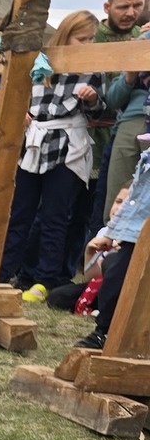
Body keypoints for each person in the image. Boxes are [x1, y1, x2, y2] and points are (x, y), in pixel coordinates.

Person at [4, 10, 101, 306]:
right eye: (81, 38)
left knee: (55, 216)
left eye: (91, 39)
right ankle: (3, 273)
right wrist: (21, 111)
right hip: (35, 141)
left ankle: (44, 279)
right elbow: (23, 94)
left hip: (68, 143)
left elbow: (101, 107)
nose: (87, 44)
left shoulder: (94, 67)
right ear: (66, 35)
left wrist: (92, 98)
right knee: (20, 212)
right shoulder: (42, 62)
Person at [77, 141, 150, 350]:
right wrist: (110, 234)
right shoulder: (146, 158)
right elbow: (131, 201)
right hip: (133, 236)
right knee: (114, 281)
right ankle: (103, 332)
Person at [97, 0, 149, 222]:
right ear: (108, 7)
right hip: (124, 125)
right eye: (124, 7)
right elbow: (112, 98)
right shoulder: (139, 39)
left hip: (126, 125)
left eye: (137, 5)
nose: (131, 12)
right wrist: (130, 72)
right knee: (114, 202)